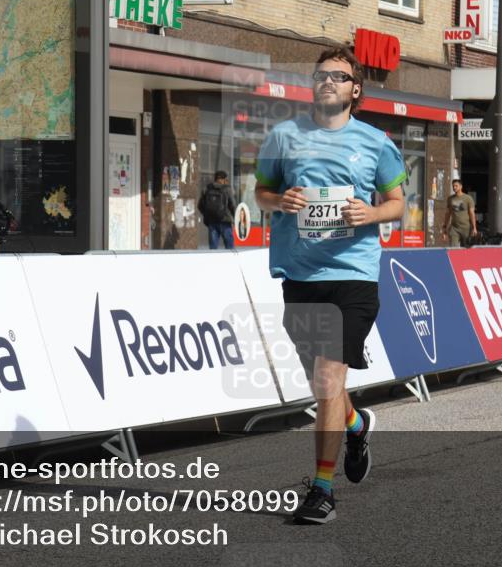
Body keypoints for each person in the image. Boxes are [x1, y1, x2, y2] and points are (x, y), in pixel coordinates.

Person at [254, 47, 405, 524]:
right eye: (321, 75)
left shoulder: (376, 143)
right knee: (324, 387)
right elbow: (260, 194)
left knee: (327, 380)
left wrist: (371, 213)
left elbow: (397, 202)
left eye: (339, 76)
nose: (328, 82)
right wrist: (281, 199)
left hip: (354, 275)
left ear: (355, 90)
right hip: (301, 276)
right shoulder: (284, 136)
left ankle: (321, 490)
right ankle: (357, 426)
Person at [198, 170, 237, 249]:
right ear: (222, 179)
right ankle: (231, 261)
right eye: (225, 179)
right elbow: (233, 205)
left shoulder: (207, 189)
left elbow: (200, 206)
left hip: (212, 222)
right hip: (225, 221)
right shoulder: (227, 189)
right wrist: (235, 218)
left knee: (213, 248)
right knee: (230, 247)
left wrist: (207, 214)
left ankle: (213, 261)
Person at [442, 179, 477, 247]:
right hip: (454, 228)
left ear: (461, 186)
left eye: (456, 186)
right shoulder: (450, 199)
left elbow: (472, 214)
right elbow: (448, 213)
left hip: (466, 228)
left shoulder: (468, 198)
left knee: (466, 249)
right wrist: (445, 226)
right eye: (453, 186)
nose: (454, 187)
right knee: (454, 249)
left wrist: (474, 227)